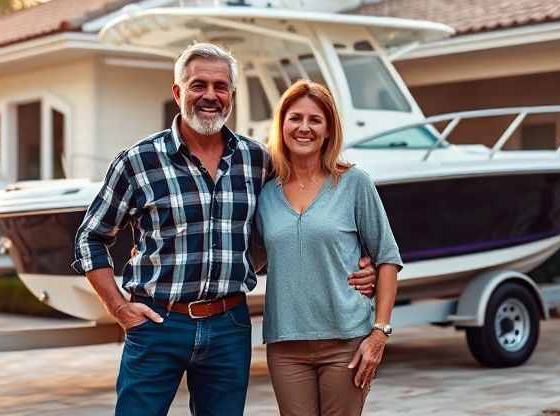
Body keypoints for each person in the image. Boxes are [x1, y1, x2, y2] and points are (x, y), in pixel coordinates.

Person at [72, 42, 377, 416]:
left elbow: (304, 216)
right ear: (177, 91)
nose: (210, 96)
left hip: (228, 326)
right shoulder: (138, 161)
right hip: (158, 323)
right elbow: (91, 237)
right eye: (198, 85)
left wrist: (362, 264)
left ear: (231, 95)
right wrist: (118, 307)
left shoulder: (257, 161)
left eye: (220, 87)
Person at [255, 80, 403, 416]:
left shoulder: (354, 183)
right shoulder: (265, 193)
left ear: (328, 130)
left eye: (315, 120)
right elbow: (252, 258)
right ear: (281, 125)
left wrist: (379, 333)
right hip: (285, 345)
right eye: (295, 118)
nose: (304, 128)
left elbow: (387, 259)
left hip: (346, 342)